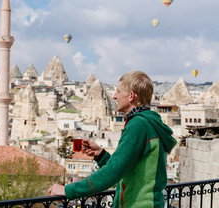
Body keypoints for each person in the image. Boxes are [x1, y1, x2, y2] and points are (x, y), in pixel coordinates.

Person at [48, 71, 177, 208]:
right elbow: (126, 167)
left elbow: (112, 173)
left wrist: (67, 190)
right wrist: (101, 154)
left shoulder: (138, 125)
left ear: (131, 96)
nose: (114, 96)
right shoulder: (149, 123)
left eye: (118, 91)